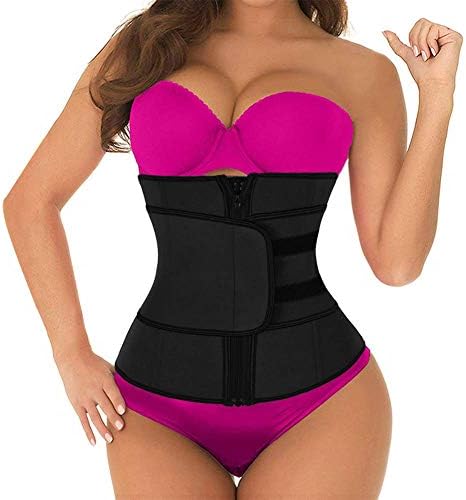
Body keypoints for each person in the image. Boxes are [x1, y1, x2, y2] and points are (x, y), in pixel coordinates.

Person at [3, 1, 462, 498]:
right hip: (158, 407)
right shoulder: (145, 47)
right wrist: (70, 354)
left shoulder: (363, 71)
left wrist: (437, 98)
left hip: (321, 402)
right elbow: (30, 202)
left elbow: (397, 263)